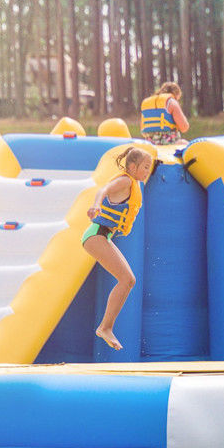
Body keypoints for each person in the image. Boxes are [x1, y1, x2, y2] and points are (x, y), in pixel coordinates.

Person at [82, 146, 153, 351]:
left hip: (103, 235)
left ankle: (105, 327)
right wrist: (96, 205)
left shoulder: (134, 184)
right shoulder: (125, 181)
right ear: (132, 167)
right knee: (126, 279)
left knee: (128, 280)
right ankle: (105, 327)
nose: (147, 171)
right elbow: (103, 190)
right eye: (145, 167)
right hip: (96, 234)